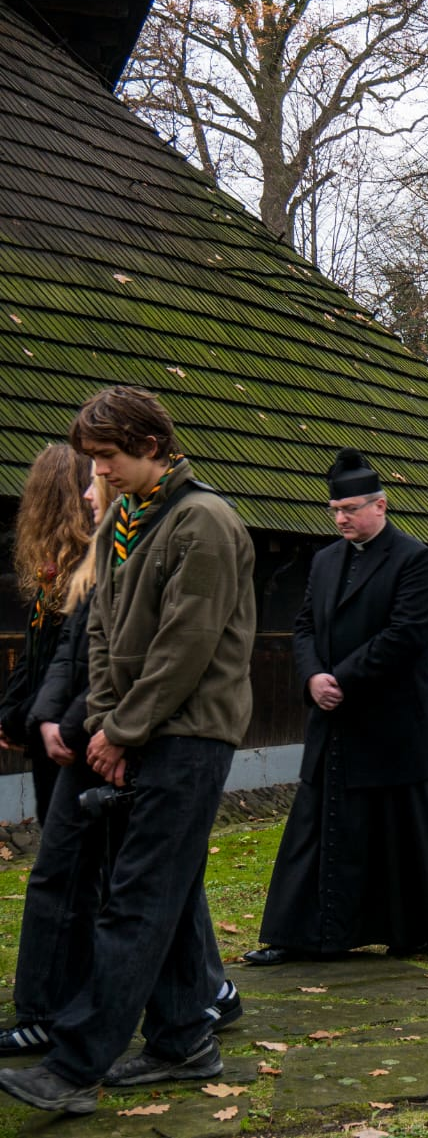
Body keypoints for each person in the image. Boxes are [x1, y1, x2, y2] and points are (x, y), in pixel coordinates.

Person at [0, 387, 256, 1115]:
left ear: (149, 445)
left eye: (107, 458)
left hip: (191, 733)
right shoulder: (127, 520)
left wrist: (121, 729)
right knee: (160, 894)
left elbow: (187, 643)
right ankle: (183, 1038)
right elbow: (104, 633)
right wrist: (107, 725)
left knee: (136, 900)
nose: (97, 474)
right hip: (139, 731)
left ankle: (75, 1064)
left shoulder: (203, 521)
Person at [245, 450, 428, 967]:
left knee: (395, 832)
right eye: (335, 510)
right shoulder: (324, 562)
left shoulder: (413, 559)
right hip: (332, 721)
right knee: (315, 830)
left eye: (350, 509)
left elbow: (406, 636)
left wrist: (341, 678)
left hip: (390, 723)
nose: (342, 518)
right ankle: (299, 934)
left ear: (380, 506)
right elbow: (303, 627)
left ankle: (408, 931)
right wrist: (312, 677)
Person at [0, 445, 94, 827]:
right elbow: (33, 653)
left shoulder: (88, 574)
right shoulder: (51, 576)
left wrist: (23, 718)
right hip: (42, 730)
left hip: (71, 734)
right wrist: (9, 712)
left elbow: (70, 664)